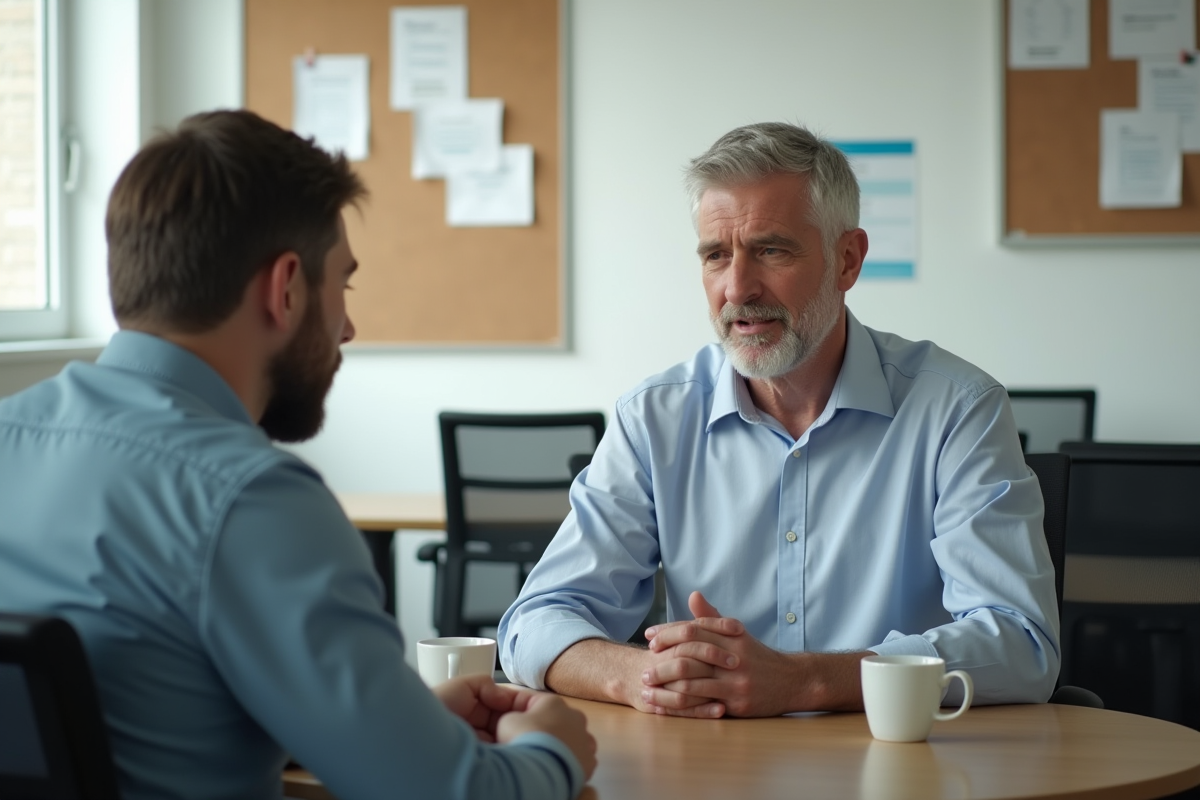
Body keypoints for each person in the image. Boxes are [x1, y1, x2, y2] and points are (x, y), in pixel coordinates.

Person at [0, 110, 594, 800]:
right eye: (343, 282)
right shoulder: (248, 498)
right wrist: (555, 750)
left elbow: (138, 706)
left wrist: (395, 729)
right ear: (285, 289)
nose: (347, 325)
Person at [498, 122, 1060, 719]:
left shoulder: (955, 409)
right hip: (708, 770)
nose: (737, 287)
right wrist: (642, 675)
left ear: (847, 259)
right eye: (717, 255)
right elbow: (535, 621)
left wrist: (807, 682)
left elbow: (1020, 643)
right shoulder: (655, 418)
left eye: (771, 249)